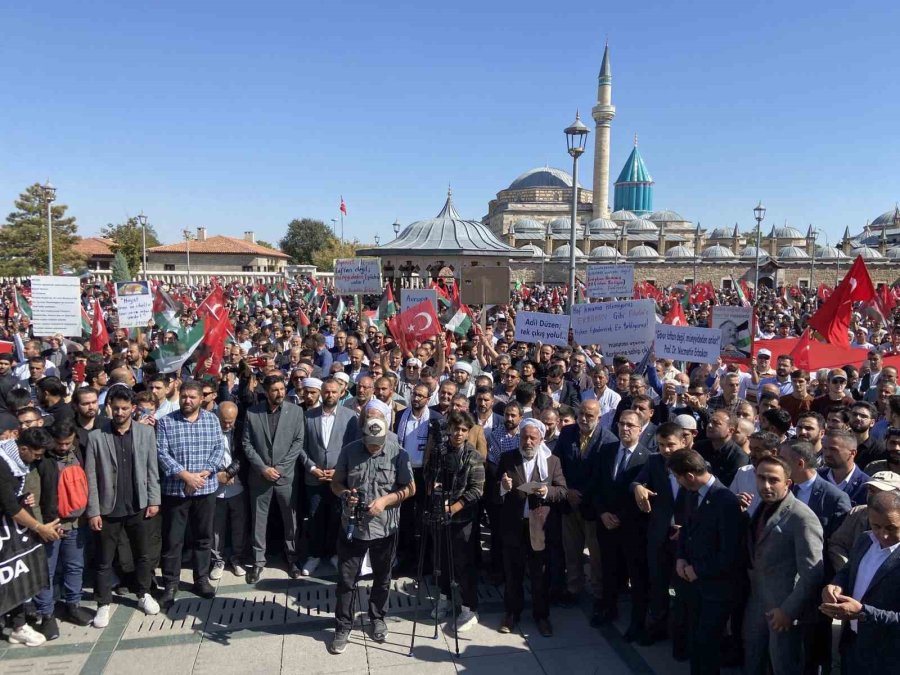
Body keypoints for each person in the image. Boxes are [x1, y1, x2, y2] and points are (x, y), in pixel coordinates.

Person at [329, 407, 415, 654]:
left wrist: (385, 501)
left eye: (378, 443)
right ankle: (343, 626)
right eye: (370, 442)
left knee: (382, 577)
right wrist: (346, 494)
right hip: (353, 527)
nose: (374, 447)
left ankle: (377, 617)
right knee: (346, 580)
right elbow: (336, 483)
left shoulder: (398, 453)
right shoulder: (349, 451)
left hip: (385, 527)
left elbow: (411, 488)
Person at [84, 387, 161, 627]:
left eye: (124, 408)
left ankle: (143, 593)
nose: (119, 412)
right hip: (108, 509)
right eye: (115, 408)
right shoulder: (97, 437)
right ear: (109, 408)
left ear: (133, 409)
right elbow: (91, 477)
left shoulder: (145, 433)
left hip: (138, 504)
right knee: (104, 560)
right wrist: (93, 510)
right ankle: (103, 603)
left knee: (142, 554)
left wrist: (154, 499)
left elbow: (151, 468)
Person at [743, 455, 824, 675]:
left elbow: (812, 574)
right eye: (761, 478)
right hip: (757, 602)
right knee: (753, 659)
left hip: (783, 609)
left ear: (788, 483)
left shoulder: (802, 518)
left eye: (773, 480)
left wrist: (788, 611)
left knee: (783, 665)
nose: (766, 485)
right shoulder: (760, 507)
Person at [670, 448, 745, 675]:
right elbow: (686, 530)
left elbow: (730, 553)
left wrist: (699, 570)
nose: (677, 482)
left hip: (715, 589)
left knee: (707, 643)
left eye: (677, 477)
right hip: (693, 585)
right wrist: (681, 557)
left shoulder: (725, 501)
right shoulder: (693, 493)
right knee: (695, 641)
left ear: (690, 476)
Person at [156, 380, 226, 609]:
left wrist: (204, 473)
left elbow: (218, 448)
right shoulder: (167, 422)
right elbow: (162, 453)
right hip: (176, 491)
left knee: (203, 538)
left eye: (192, 397)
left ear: (200, 399)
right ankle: (170, 584)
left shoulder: (212, 420)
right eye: (184, 396)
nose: (188, 400)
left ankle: (201, 580)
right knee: (173, 540)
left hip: (204, 489)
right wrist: (185, 476)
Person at [497, 418, 567, 637]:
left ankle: (541, 616)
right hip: (514, 527)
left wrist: (547, 492)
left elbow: (563, 491)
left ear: (541, 439)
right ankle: (511, 613)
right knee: (513, 574)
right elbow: (493, 489)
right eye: (524, 437)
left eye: (532, 438)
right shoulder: (507, 458)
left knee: (540, 576)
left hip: (540, 529)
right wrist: (502, 486)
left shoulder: (552, 461)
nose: (527, 442)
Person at [819, 490, 900, 671]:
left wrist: (863, 613)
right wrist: (836, 586)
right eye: (876, 526)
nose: (882, 534)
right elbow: (848, 572)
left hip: (889, 658)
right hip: (853, 648)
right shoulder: (865, 540)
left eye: (891, 528)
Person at [592, 409, 652, 640]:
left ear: (640, 429)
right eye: (622, 424)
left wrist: (622, 518)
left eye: (630, 425)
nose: (625, 428)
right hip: (606, 524)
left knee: (636, 576)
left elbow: (644, 497)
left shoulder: (648, 457)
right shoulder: (606, 451)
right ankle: (608, 608)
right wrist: (603, 513)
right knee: (609, 570)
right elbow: (596, 486)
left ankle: (637, 622)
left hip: (632, 528)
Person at [242, 374, 306, 582]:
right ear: (266, 392)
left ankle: (292, 558)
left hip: (285, 476)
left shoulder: (296, 411)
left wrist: (279, 468)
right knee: (259, 521)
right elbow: (247, 444)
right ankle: (258, 562)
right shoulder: (252, 413)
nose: (279, 393)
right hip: (260, 477)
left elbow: (298, 442)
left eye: (281, 389)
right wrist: (263, 468)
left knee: (291, 520)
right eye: (275, 390)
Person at [424, 411, 485, 633]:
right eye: (455, 428)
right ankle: (444, 598)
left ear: (468, 432)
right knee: (440, 560)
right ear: (448, 428)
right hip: (439, 515)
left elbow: (476, 490)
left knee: (463, 564)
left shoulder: (473, 456)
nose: (458, 433)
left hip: (462, 519)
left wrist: (453, 507)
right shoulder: (440, 451)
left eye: (463, 430)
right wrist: (433, 488)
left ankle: (469, 607)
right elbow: (429, 475)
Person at [0, 427, 60, 647]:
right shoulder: (2, 465)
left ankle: (18, 625)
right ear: (23, 448)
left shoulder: (17, 461)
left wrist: (24, 498)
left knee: (14, 574)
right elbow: (11, 508)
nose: (38, 459)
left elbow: (13, 501)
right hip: (6, 526)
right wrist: (38, 527)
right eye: (36, 455)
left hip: (8, 533)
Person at [553, 400, 612, 620]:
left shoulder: (607, 440)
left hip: (593, 507)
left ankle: (598, 593)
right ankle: (573, 588)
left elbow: (603, 475)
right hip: (568, 502)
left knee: (596, 555)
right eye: (581, 415)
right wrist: (567, 490)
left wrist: (583, 495)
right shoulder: (567, 433)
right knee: (571, 549)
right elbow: (557, 463)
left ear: (599, 416)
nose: (584, 419)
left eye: (590, 415)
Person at [631, 422, 689, 646]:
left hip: (684, 536)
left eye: (671, 445)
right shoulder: (654, 461)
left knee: (682, 588)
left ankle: (681, 633)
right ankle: (657, 626)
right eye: (662, 445)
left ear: (683, 442)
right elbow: (636, 481)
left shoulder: (696, 464)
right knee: (658, 582)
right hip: (659, 534)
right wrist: (638, 487)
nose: (666, 450)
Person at [298, 378, 360, 576]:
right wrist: (311, 467)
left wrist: (339, 471)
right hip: (315, 477)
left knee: (336, 518)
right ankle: (314, 555)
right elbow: (300, 446)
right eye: (326, 392)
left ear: (341, 393)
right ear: (321, 393)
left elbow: (353, 446)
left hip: (338, 479)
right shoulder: (308, 417)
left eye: (334, 392)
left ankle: (334, 554)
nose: (330, 395)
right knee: (315, 518)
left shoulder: (350, 417)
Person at [210, 401, 248, 580]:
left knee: (238, 525)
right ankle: (218, 560)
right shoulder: (209, 429)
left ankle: (237, 559)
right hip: (215, 485)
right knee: (216, 527)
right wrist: (219, 474)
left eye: (230, 421)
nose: (227, 425)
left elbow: (243, 453)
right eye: (223, 421)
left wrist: (231, 471)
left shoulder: (241, 429)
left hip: (237, 485)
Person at [819, 430, 870, 506]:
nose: (827, 454)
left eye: (834, 450)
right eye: (825, 448)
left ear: (852, 453)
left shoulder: (866, 486)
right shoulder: (817, 477)